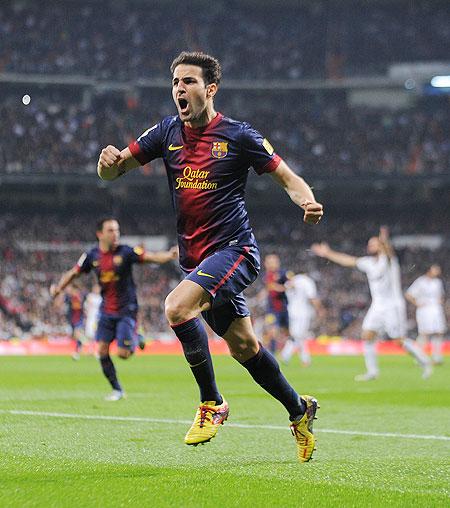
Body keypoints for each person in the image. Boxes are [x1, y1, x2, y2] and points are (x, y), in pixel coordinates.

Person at [97, 51, 323, 462]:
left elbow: (287, 178)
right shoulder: (166, 132)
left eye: (189, 82)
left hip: (235, 252)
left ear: (210, 89)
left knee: (176, 308)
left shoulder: (239, 136)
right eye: (175, 83)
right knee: (244, 347)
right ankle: (298, 409)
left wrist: (307, 201)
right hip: (197, 262)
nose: (179, 89)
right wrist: (105, 164)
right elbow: (114, 172)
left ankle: (212, 403)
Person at [50, 218, 178, 400]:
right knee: (101, 351)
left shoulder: (126, 252)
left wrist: (169, 255)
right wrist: (58, 289)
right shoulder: (92, 256)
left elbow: (150, 256)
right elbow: (73, 273)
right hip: (106, 310)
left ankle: (136, 336)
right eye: (111, 230)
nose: (115, 234)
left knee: (123, 354)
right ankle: (117, 390)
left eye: (117, 230)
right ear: (100, 234)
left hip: (127, 309)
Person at [312, 227, 432, 380]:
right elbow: (348, 260)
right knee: (367, 335)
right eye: (370, 244)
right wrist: (327, 253)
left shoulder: (389, 261)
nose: (370, 246)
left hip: (392, 305)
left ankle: (424, 361)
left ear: (381, 246)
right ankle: (372, 372)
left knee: (398, 341)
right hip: (378, 305)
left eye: (374, 244)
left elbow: (389, 251)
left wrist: (385, 241)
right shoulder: (368, 262)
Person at [405, 265, 447, 365]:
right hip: (424, 310)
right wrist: (417, 303)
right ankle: (419, 357)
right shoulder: (420, 281)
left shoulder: (438, 282)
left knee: (439, 332)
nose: (437, 271)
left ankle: (437, 358)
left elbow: (441, 295)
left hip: (436, 309)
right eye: (435, 269)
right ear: (429, 270)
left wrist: (440, 301)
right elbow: (408, 294)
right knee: (424, 334)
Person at [281, 270, 324, 366]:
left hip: (291, 312)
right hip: (302, 313)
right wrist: (319, 309)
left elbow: (285, 292)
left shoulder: (291, 281)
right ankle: (286, 355)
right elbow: (312, 297)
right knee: (298, 336)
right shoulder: (307, 281)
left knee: (297, 336)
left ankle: (304, 359)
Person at [263, 254, 291, 354]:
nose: (270, 264)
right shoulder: (267, 275)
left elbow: (291, 281)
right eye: (268, 262)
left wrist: (288, 284)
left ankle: (286, 351)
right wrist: (285, 287)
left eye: (272, 262)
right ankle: (272, 352)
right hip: (272, 309)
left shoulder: (283, 273)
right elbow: (271, 286)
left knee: (287, 332)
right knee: (272, 331)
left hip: (284, 308)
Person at [62, 284, 86, 361]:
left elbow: (82, 307)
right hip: (72, 320)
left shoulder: (80, 297)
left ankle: (79, 349)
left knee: (77, 334)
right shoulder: (69, 298)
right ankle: (80, 347)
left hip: (79, 319)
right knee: (75, 336)